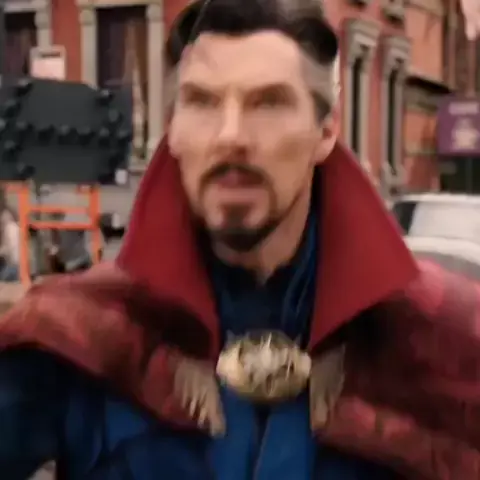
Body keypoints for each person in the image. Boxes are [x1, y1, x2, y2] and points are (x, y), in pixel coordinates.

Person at [0, 1, 478, 479]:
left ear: (325, 131)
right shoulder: (81, 331)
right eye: (203, 102)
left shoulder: (445, 344)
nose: (230, 136)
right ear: (174, 130)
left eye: (268, 103)